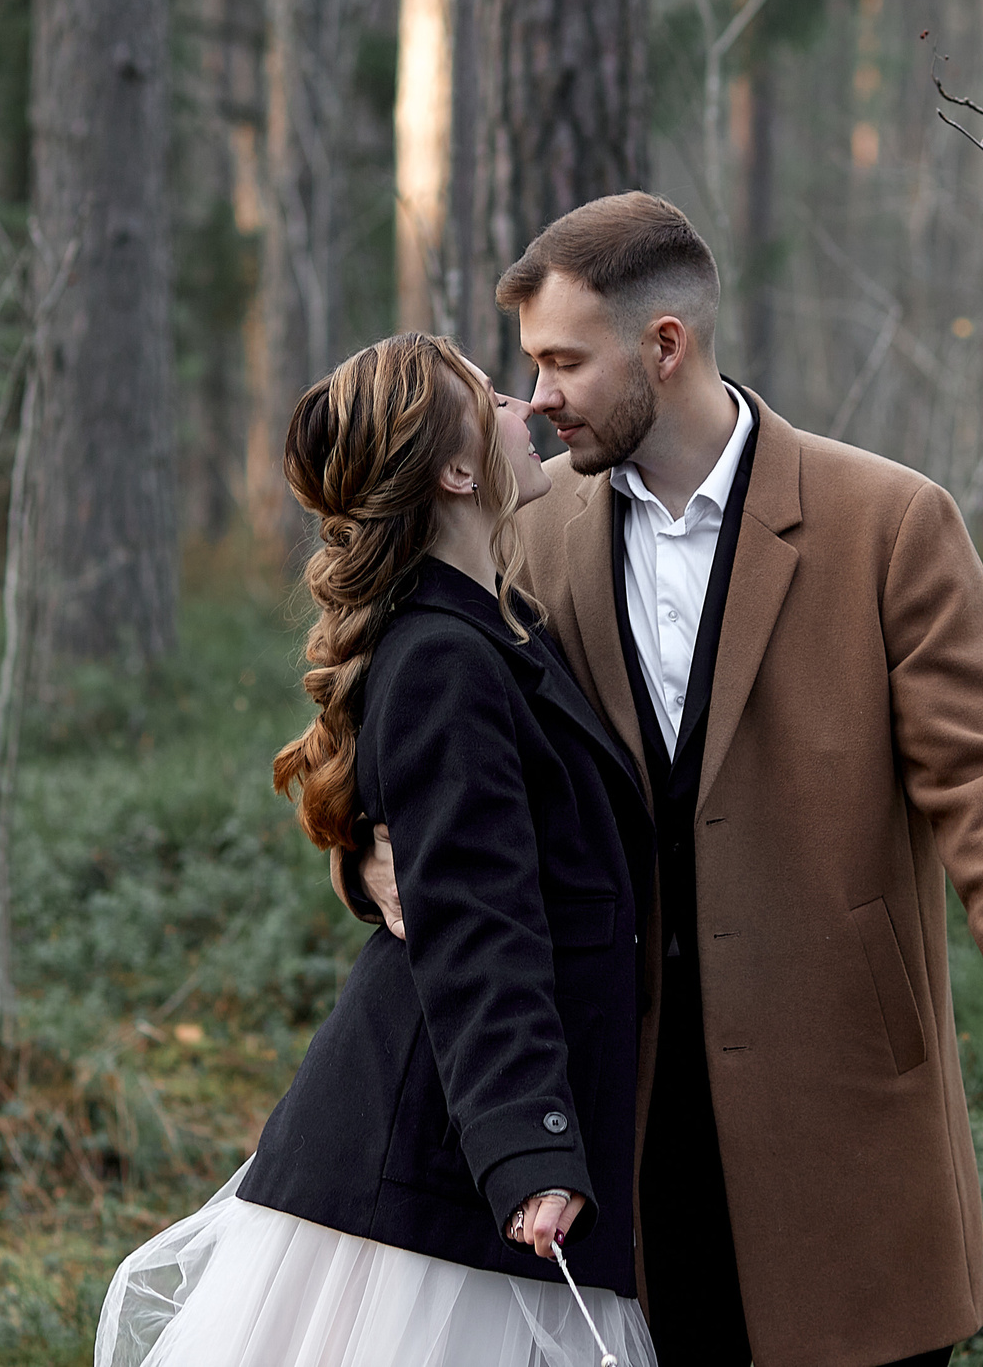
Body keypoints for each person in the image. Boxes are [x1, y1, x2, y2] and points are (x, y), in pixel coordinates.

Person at [349, 193, 983, 1367]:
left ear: (666, 346)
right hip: (625, 1120)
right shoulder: (530, 530)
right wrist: (362, 847)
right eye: (530, 368)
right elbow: (434, 742)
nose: (538, 396)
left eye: (562, 361)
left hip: (843, 1115)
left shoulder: (887, 522)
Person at [97, 331, 658, 1367]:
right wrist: (527, 1148)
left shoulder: (492, 626)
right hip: (442, 1171)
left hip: (462, 1143)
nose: (524, 408)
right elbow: (477, 925)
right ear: (454, 470)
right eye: (491, 399)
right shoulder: (445, 656)